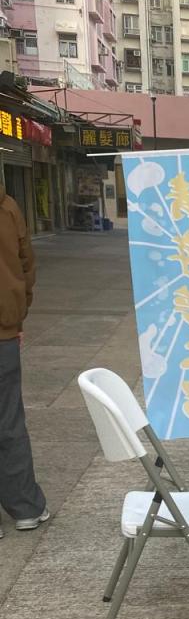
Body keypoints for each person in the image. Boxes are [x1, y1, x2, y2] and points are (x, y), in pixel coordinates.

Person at [0, 183, 48, 537]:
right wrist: (16, 317)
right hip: (2, 331)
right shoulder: (7, 207)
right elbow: (25, 264)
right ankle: (25, 508)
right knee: (9, 421)